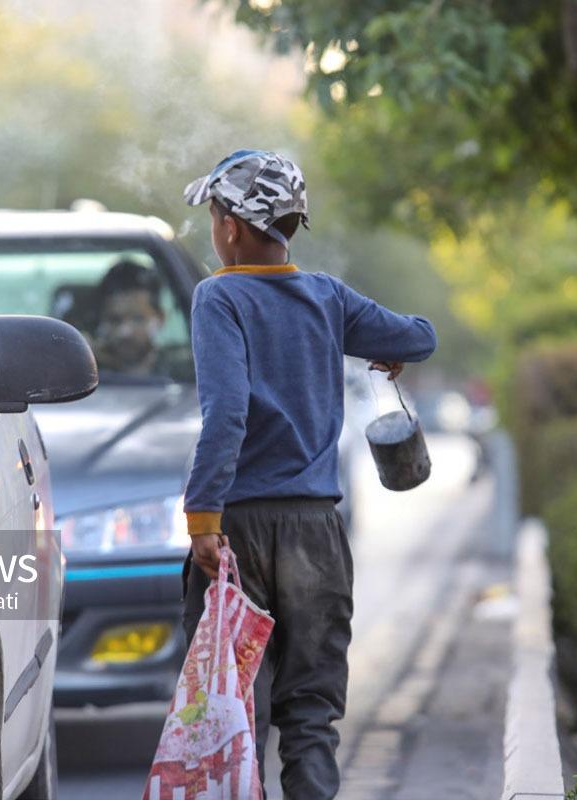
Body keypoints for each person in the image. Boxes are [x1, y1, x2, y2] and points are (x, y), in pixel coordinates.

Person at [179, 149, 437, 798]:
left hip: (240, 530)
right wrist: (382, 344)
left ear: (232, 226)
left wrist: (203, 517)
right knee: (310, 713)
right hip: (318, 534)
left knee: (232, 710)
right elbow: (419, 338)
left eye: (213, 217)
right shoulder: (327, 297)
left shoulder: (219, 297)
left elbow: (227, 412)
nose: (213, 231)